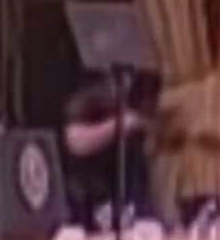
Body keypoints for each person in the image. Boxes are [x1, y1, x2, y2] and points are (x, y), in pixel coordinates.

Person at [60, 71, 158, 228]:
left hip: (136, 194)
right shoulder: (92, 87)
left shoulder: (147, 82)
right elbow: (75, 141)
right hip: (95, 197)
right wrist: (122, 124)